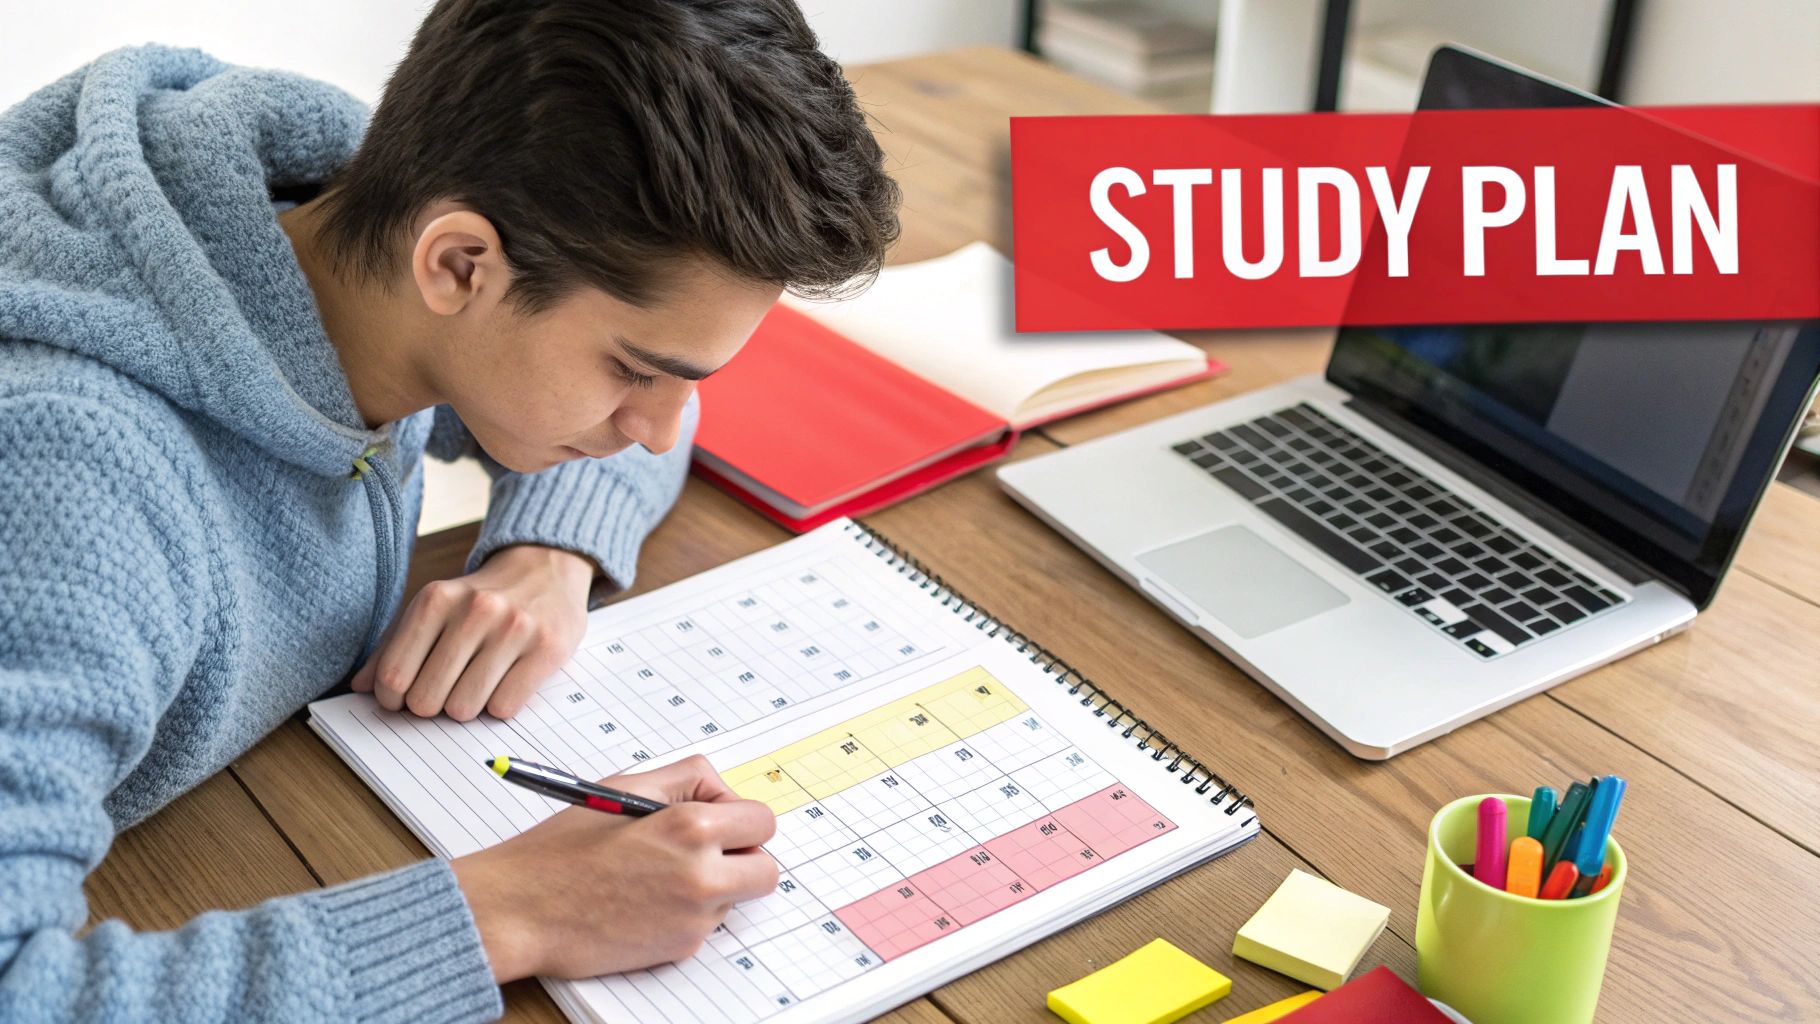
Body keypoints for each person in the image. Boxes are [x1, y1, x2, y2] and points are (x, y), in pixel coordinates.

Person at [0, 0, 900, 1019]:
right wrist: (516, 910)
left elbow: (635, 419)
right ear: (459, 265)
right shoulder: (73, 487)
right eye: (635, 371)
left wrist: (550, 552)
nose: (657, 430)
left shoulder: (351, 226)